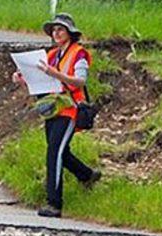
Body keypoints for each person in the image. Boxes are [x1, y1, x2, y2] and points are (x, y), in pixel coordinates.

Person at [12, 12, 101, 217]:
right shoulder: (51, 55)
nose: (56, 33)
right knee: (61, 151)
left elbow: (80, 81)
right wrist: (21, 79)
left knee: (54, 152)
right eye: (54, 30)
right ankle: (87, 175)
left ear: (70, 32)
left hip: (70, 109)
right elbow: (41, 82)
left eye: (60, 29)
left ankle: (54, 203)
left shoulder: (79, 53)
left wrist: (55, 74)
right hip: (53, 109)